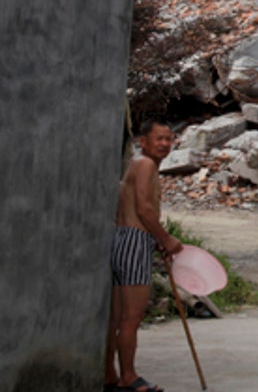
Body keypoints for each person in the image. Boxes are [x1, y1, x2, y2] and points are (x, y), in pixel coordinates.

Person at [104, 120, 183, 392]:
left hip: (124, 239)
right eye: (158, 138)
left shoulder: (138, 166)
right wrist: (166, 239)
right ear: (143, 141)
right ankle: (128, 377)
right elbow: (144, 209)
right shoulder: (146, 165)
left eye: (168, 139)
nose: (164, 144)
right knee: (131, 317)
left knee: (116, 318)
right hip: (135, 240)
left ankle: (109, 375)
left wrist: (157, 239)